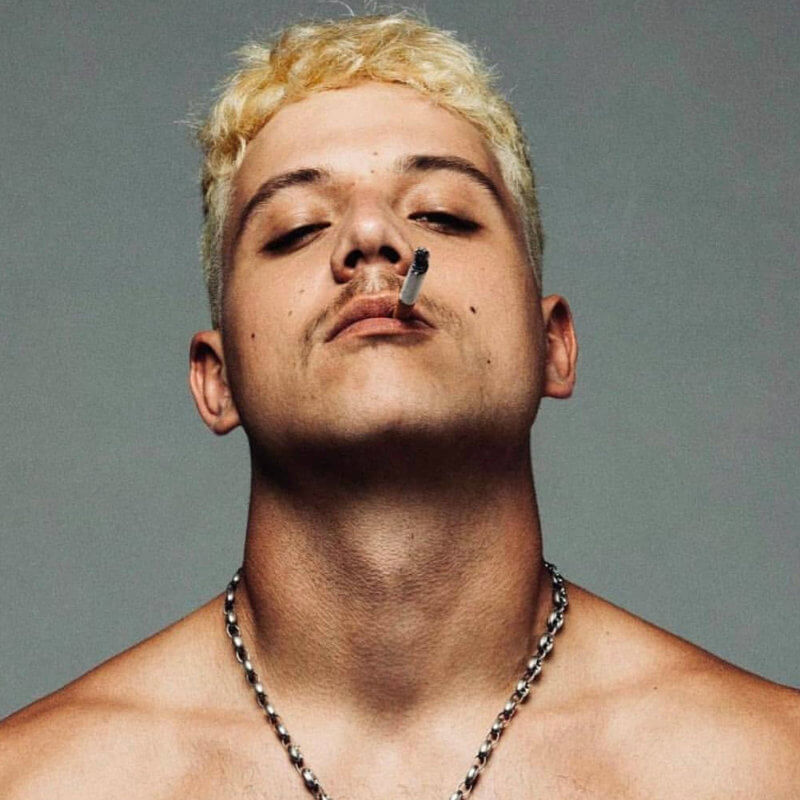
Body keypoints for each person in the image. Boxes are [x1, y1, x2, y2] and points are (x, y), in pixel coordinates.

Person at [1, 13, 797, 799]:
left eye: (441, 214)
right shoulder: (38, 780)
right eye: (295, 228)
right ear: (219, 379)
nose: (371, 236)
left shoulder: (768, 765)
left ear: (552, 343)